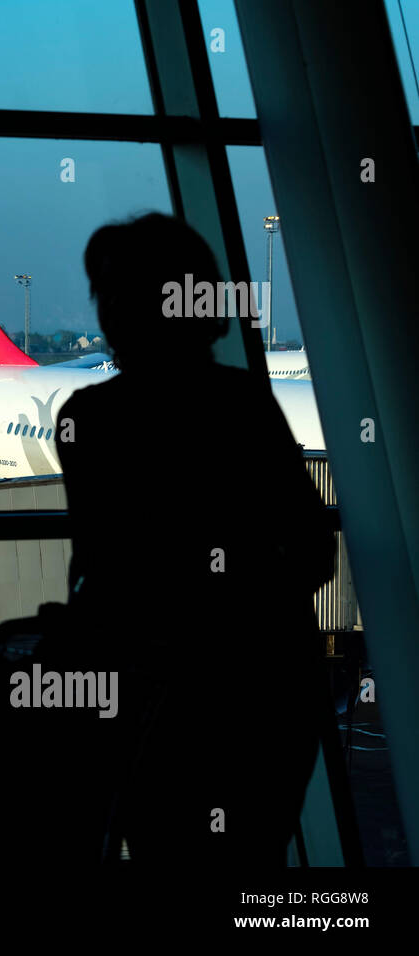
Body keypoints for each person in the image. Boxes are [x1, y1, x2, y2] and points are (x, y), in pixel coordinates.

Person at [56, 213, 336, 865]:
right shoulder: (247, 405)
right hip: (266, 698)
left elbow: (100, 573)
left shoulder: (90, 420)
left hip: (158, 704)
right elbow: (314, 549)